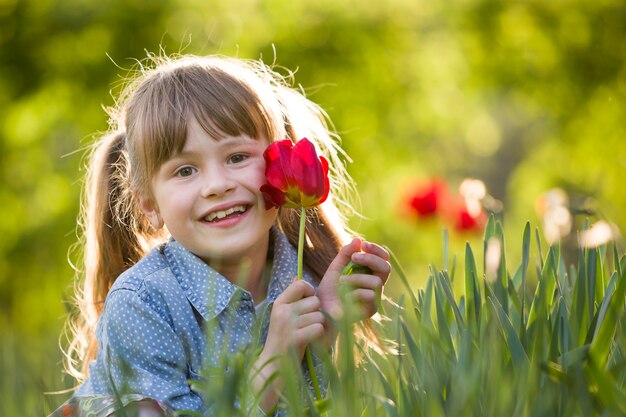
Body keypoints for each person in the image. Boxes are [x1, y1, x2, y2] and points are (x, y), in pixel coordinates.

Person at [53, 54, 391, 416]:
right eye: (185, 170)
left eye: (237, 158)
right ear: (148, 205)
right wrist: (275, 362)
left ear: (278, 163)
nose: (216, 185)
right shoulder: (142, 304)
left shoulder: (307, 280)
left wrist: (325, 337)